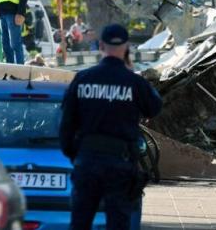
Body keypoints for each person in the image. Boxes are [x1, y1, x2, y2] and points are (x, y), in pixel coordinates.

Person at [60, 24, 162, 230]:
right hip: (120, 164)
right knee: (118, 223)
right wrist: (132, 74)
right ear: (126, 47)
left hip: (87, 161)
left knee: (80, 222)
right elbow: (155, 107)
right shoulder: (133, 82)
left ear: (101, 46)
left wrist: (76, 155)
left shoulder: (83, 79)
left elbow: (66, 125)